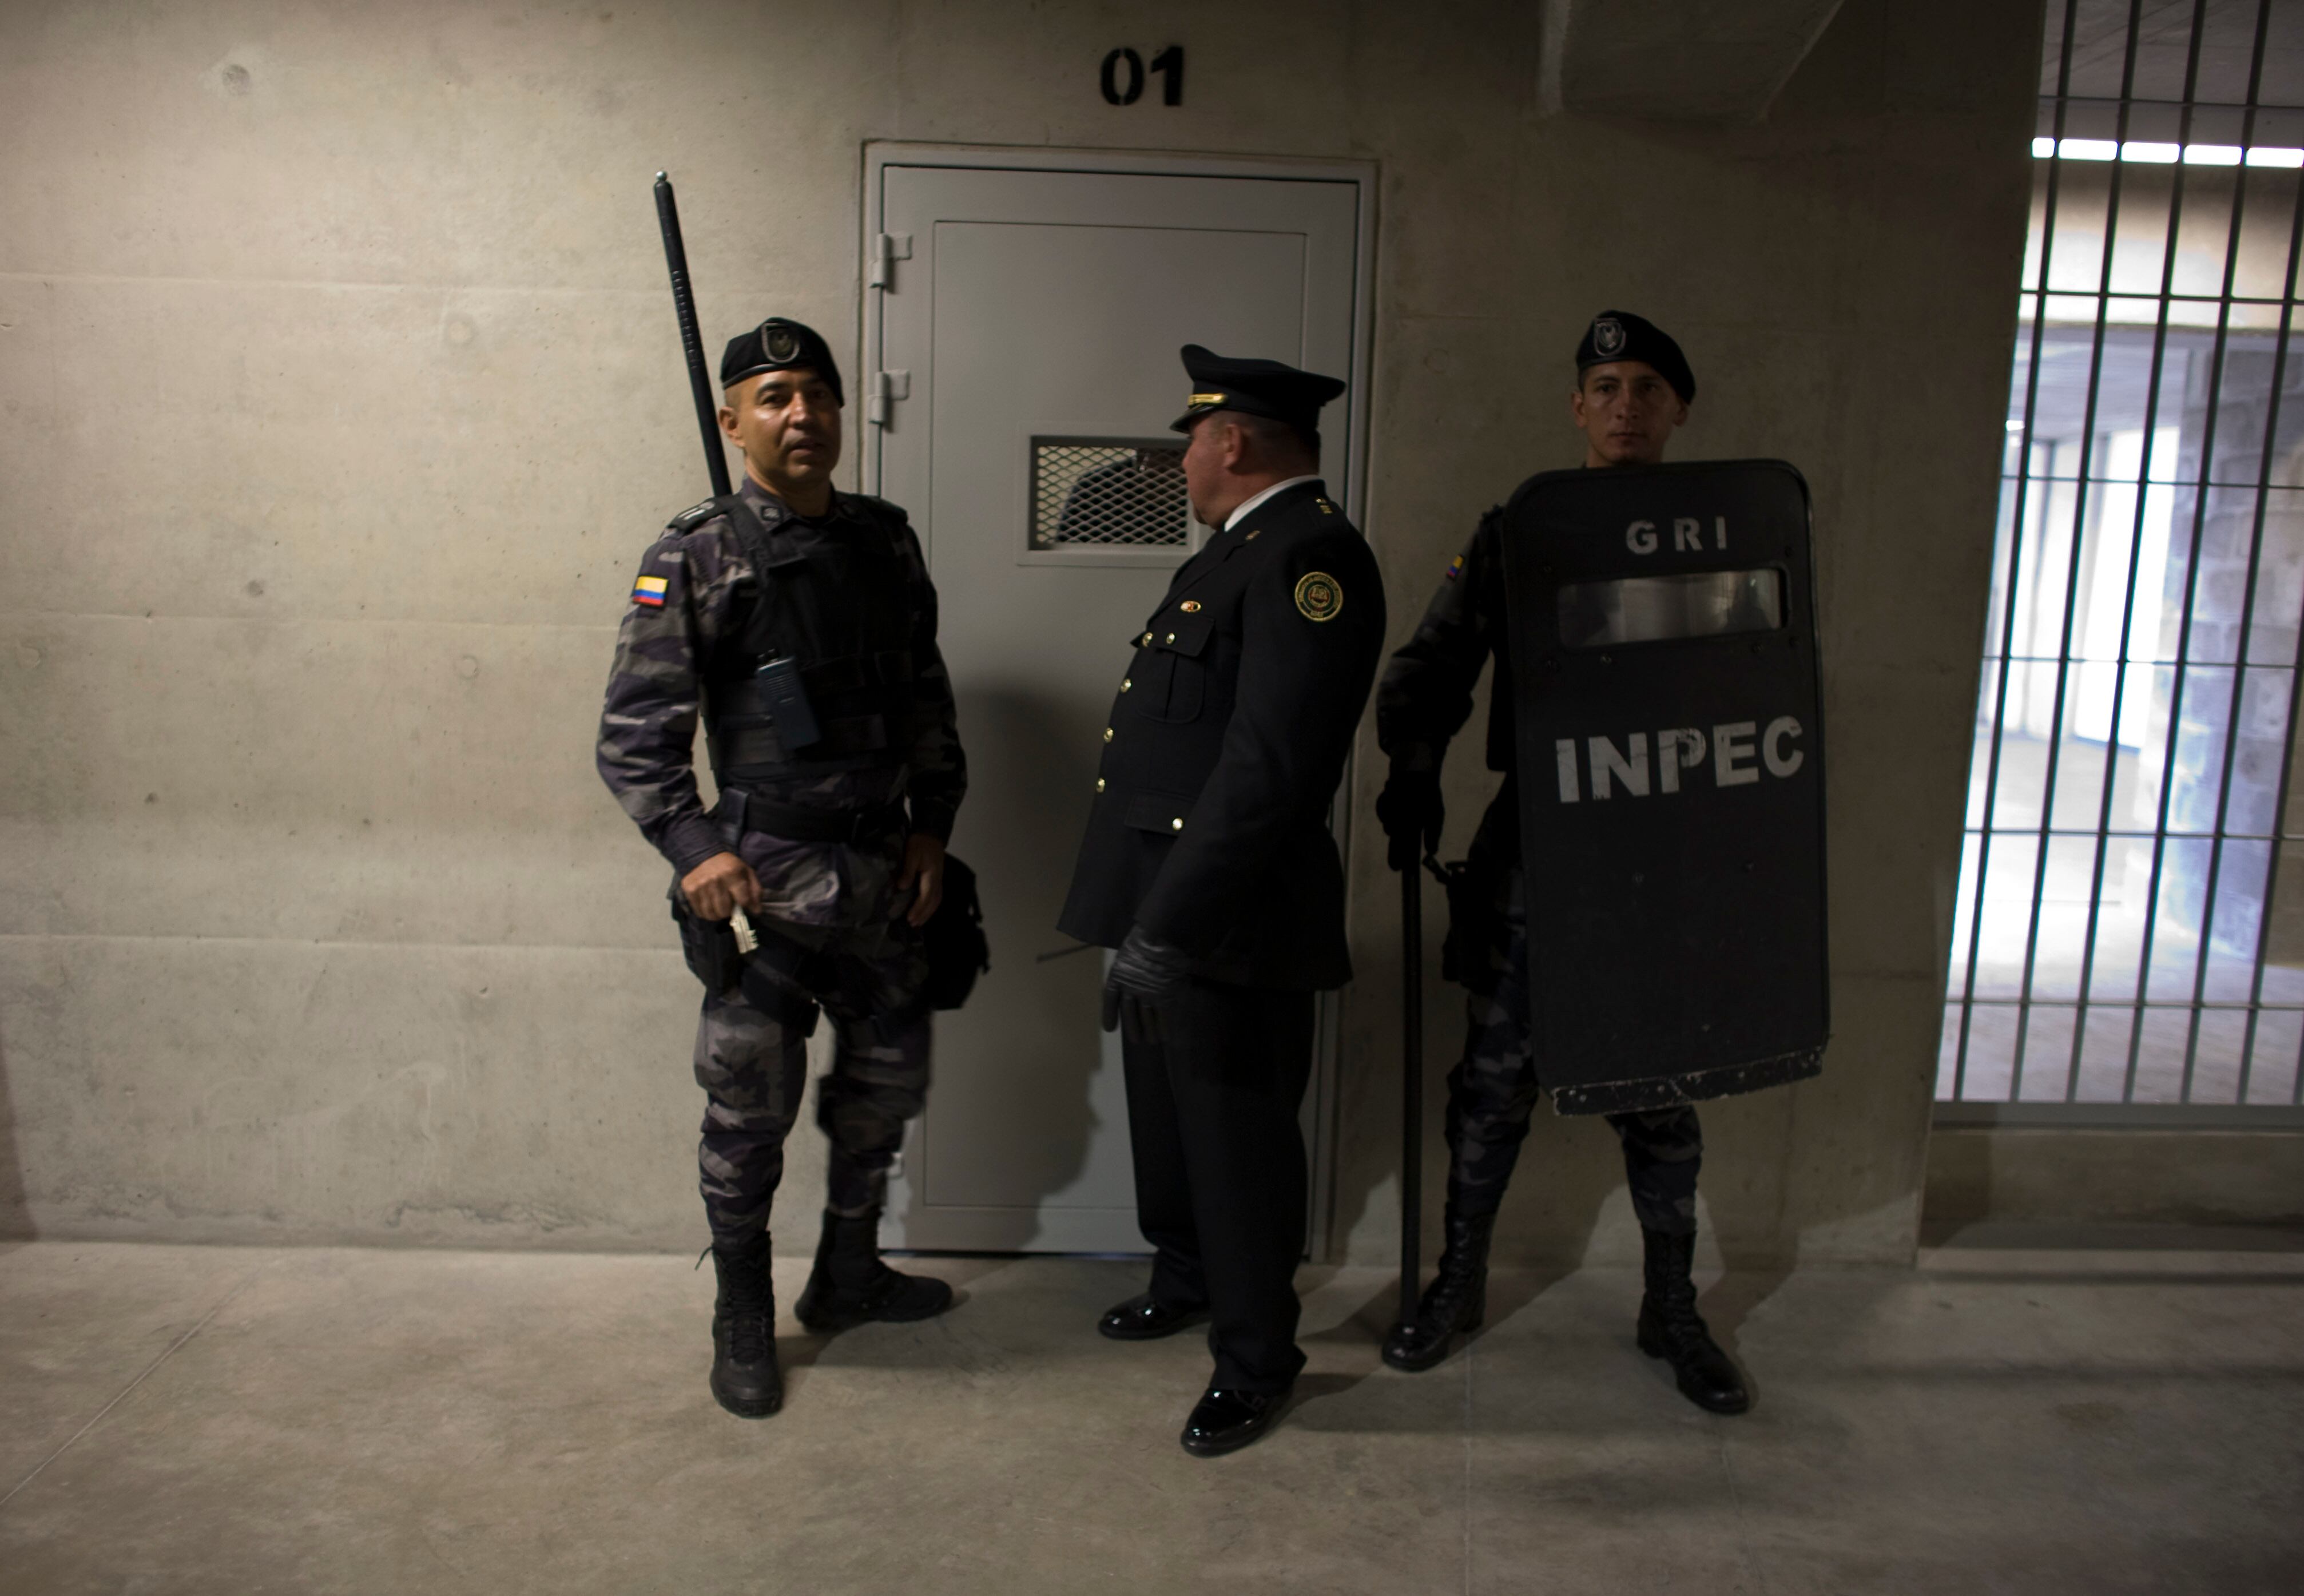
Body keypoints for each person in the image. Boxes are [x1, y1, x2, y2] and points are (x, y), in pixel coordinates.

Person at [1373, 311, 1750, 1415]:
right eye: (1605, 386)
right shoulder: (1520, 534)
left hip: (1663, 865)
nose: (1625, 404)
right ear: (1576, 408)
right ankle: (1458, 1285)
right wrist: (1413, 765)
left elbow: (1763, 697)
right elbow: (1433, 664)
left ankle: (1670, 1305)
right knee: (1491, 1092)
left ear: (1679, 407)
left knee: (1664, 1099)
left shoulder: (1722, 538)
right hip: (1541, 855)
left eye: (1646, 386)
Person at [597, 317, 966, 1420]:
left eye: (816, 393)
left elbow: (925, 701)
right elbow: (634, 736)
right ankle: (744, 1314)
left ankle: (849, 1272)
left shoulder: (886, 542)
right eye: (773, 397)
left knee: (883, 1087)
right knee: (748, 1110)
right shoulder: (696, 552)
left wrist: (932, 823)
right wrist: (694, 847)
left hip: (885, 875)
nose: (801, 413)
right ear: (732, 421)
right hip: (766, 884)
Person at [1057, 346, 1386, 1457]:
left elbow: (1268, 769)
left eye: (1191, 439)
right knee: (1168, 1115)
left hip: (1230, 922)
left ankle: (1256, 1360)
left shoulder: (1310, 557)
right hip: (1166, 908)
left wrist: (1173, 924)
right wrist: (1139, 917)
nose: (1185, 457)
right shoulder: (1238, 551)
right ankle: (1186, 1278)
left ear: (1232, 442)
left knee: (1237, 1139)